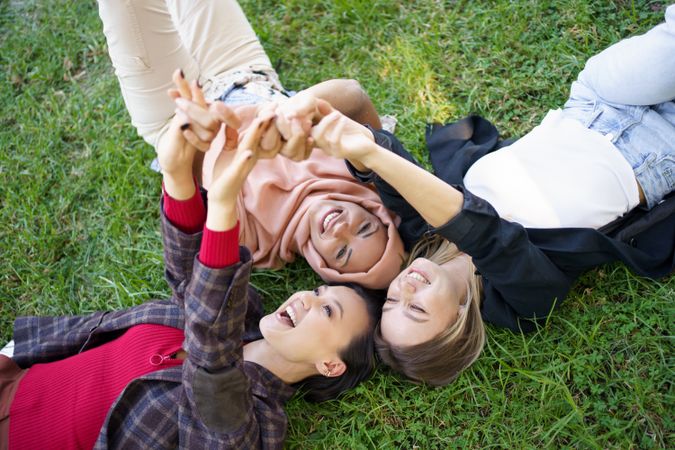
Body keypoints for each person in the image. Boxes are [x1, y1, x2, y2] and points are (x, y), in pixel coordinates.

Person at [303, 6, 675, 386]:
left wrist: (311, 120)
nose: (404, 288)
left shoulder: (425, 236)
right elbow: (485, 233)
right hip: (659, 151)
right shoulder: (522, 303)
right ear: (457, 322)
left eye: (394, 302)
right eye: (416, 309)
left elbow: (387, 159)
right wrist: (372, 157)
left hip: (595, 103)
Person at [0, 108, 383, 449]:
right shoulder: (243, 315)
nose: (307, 298)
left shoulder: (255, 427)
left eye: (328, 311)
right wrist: (178, 171)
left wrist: (223, 205)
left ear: (330, 365)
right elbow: (192, 275)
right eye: (318, 291)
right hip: (14, 374)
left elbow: (212, 360)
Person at [96, 0, 405, 289]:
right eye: (364, 228)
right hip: (245, 71)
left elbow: (185, 178)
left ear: (321, 263)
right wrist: (296, 110)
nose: (341, 229)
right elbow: (353, 95)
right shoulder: (360, 170)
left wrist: (227, 144)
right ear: (373, 210)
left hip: (174, 108)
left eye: (342, 253)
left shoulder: (255, 244)